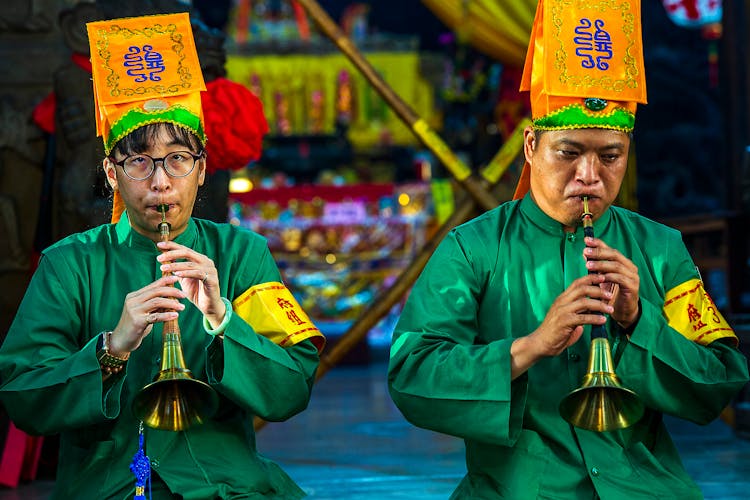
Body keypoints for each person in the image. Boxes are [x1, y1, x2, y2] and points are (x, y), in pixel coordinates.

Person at [387, 2, 749, 499]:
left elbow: (721, 380)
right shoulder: (473, 249)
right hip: (520, 489)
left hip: (642, 486)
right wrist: (530, 347)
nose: (589, 177)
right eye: (569, 153)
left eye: (610, 156)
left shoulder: (659, 248)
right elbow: (411, 376)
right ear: (532, 147)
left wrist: (637, 320)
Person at [0, 12, 324, 499]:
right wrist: (112, 348)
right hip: (109, 487)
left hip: (226, 486)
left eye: (177, 159)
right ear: (112, 173)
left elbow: (293, 387)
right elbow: (22, 394)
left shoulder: (241, 254)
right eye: (139, 162)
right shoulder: (69, 264)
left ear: (201, 169)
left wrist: (222, 319)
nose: (159, 181)